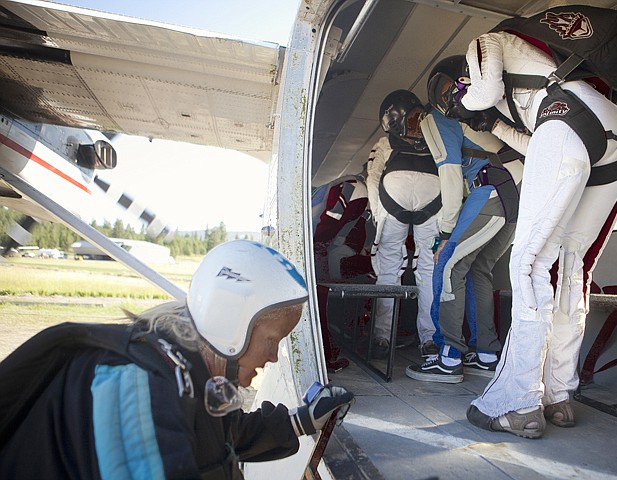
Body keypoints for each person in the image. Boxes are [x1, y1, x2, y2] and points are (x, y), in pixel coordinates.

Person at [0, 240, 355, 478]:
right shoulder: (136, 388)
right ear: (231, 325)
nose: (274, 356)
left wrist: (302, 420)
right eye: (272, 340)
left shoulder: (195, 375)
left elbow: (224, 439)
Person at [438, 31, 617, 438]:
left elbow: (485, 88)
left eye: (455, 87)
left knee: (528, 264)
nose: (457, 95)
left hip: (566, 117)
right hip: (612, 127)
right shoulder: (538, 72)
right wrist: (492, 123)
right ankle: (559, 395)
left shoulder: (485, 42)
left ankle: (516, 402)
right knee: (572, 266)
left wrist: (464, 104)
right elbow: (537, 144)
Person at [405, 55, 524, 384]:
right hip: (517, 195)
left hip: (489, 191)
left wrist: (443, 234)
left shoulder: (436, 118)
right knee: (478, 272)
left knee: (448, 264)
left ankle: (448, 356)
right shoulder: (483, 115)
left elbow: (451, 179)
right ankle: (486, 353)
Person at [366, 89, 441, 359]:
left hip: (393, 200)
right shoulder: (434, 137)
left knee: (390, 269)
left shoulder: (385, 142)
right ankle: (429, 339)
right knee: (429, 271)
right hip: (432, 199)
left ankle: (383, 337)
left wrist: (377, 213)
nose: (417, 123)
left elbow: (373, 178)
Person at [312, 163, 374, 371]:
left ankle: (336, 342)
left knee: (321, 305)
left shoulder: (353, 186)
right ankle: (326, 357)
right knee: (319, 306)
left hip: (326, 250)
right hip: (326, 251)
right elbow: (331, 219)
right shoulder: (355, 188)